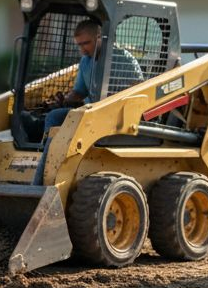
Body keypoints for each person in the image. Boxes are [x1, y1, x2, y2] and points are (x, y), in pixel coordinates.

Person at [34, 20, 141, 179]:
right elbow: (79, 92)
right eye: (79, 45)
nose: (83, 49)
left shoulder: (123, 59)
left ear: (100, 37)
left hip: (117, 115)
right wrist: (64, 101)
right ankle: (47, 155)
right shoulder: (86, 61)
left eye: (86, 43)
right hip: (90, 113)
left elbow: (138, 88)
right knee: (54, 116)